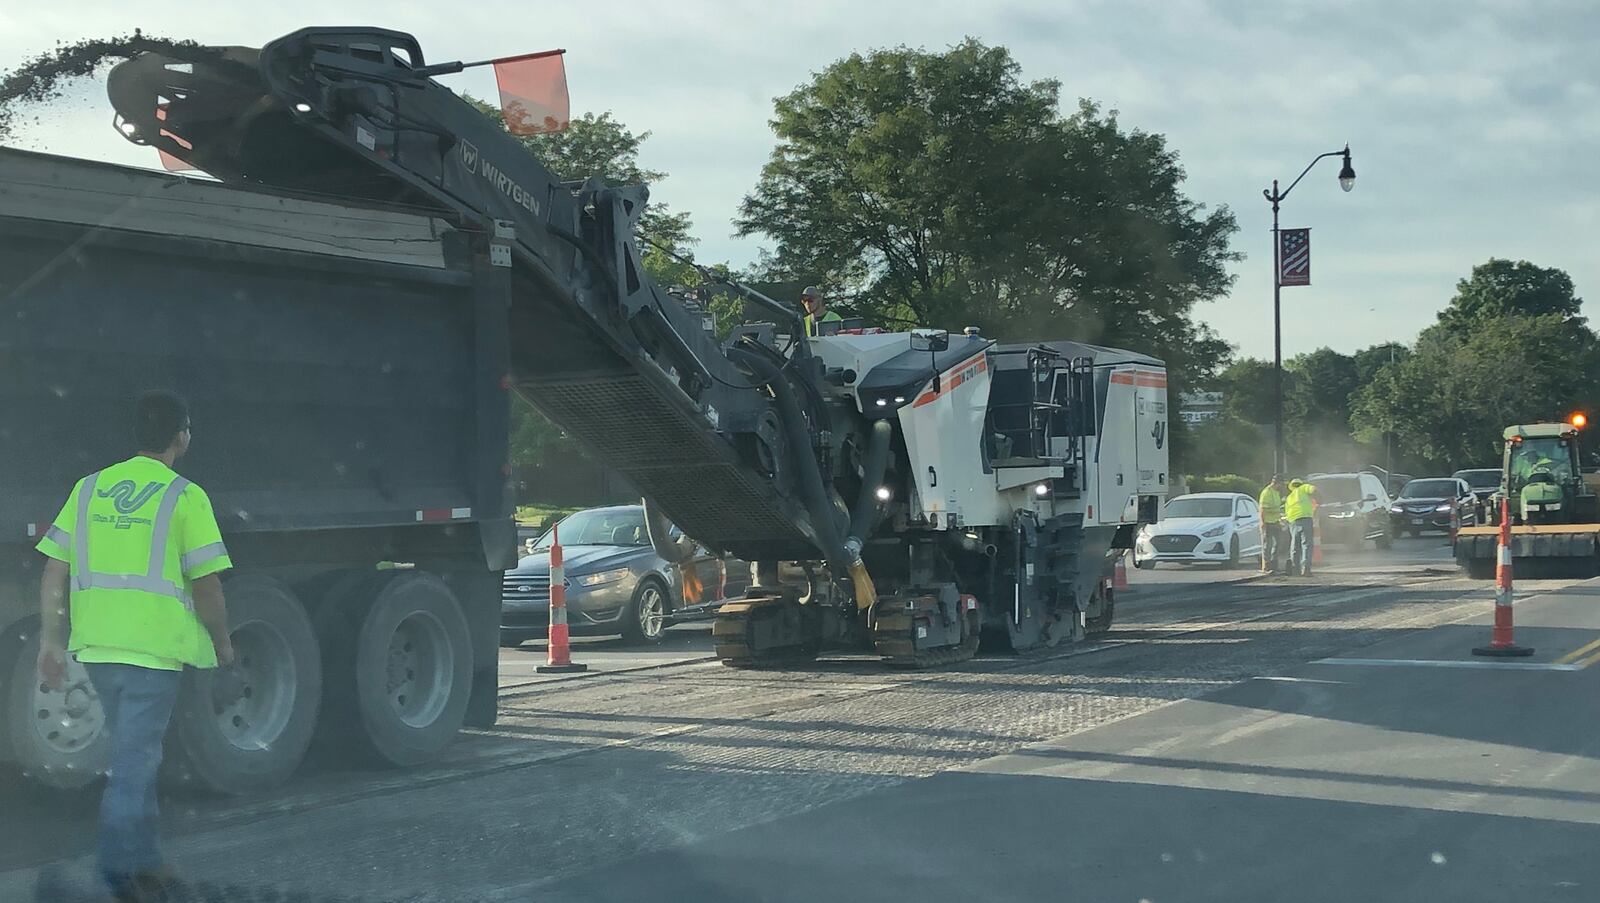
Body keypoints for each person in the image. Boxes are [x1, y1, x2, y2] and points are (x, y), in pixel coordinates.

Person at [35, 391, 234, 901]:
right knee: (134, 763)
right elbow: (208, 586)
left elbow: (55, 569)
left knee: (134, 755)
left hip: (98, 649)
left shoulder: (88, 488)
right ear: (181, 438)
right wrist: (225, 648)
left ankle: (142, 859)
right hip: (152, 653)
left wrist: (50, 641)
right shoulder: (185, 496)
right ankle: (119, 870)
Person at [1284, 478, 1319, 577]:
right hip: (1305, 519)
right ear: (1300, 484)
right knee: (1307, 545)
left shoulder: (1289, 497)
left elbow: (1286, 511)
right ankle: (1306, 569)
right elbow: (1313, 489)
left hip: (1293, 522)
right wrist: (1320, 499)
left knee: (1295, 546)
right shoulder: (1303, 488)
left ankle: (1295, 570)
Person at [1257, 474, 1288, 574]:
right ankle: (1266, 566)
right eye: (1281, 484)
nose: (1282, 486)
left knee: (1277, 544)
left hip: (1276, 522)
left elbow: (1277, 507)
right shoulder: (1266, 493)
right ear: (1277, 483)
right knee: (1268, 545)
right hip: (1268, 523)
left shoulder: (1276, 492)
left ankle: (1274, 566)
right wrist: (1262, 522)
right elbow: (1262, 509)